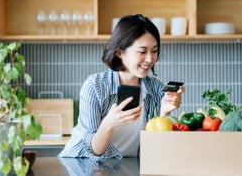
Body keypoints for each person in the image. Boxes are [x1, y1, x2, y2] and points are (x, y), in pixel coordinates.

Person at [58, 14, 185, 161]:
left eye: (154, 51)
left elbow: (155, 149)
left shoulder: (157, 89)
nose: (150, 59)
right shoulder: (95, 87)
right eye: (142, 51)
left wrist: (163, 114)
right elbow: (94, 151)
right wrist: (108, 123)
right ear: (119, 52)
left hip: (125, 167)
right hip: (81, 164)